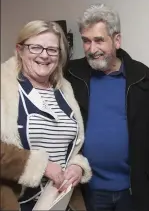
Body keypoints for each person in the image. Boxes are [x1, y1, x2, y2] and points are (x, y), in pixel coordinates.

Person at [64, 4, 149, 211]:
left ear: (117, 40)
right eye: (86, 41)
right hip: (87, 189)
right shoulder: (71, 75)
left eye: (99, 40)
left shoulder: (144, 78)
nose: (92, 49)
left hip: (133, 190)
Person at [0, 20, 92, 211]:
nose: (44, 55)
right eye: (35, 48)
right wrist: (40, 166)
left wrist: (77, 166)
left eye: (52, 50)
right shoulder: (4, 86)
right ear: (20, 49)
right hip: (18, 203)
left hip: (62, 201)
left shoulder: (64, 90)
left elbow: (73, 145)